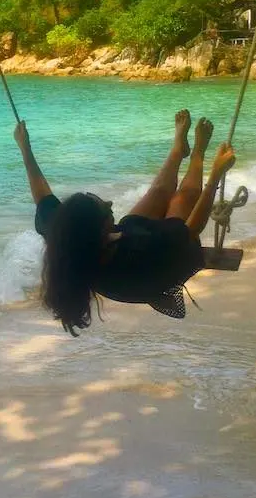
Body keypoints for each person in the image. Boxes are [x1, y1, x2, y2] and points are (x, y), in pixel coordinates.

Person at [14, 109, 236, 334]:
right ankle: (197, 152)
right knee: (182, 198)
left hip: (121, 248)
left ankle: (178, 151)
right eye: (105, 209)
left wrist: (25, 149)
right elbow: (192, 228)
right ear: (102, 229)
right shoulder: (144, 249)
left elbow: (42, 195)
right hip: (159, 268)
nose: (110, 203)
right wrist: (216, 174)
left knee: (158, 191)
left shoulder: (67, 232)